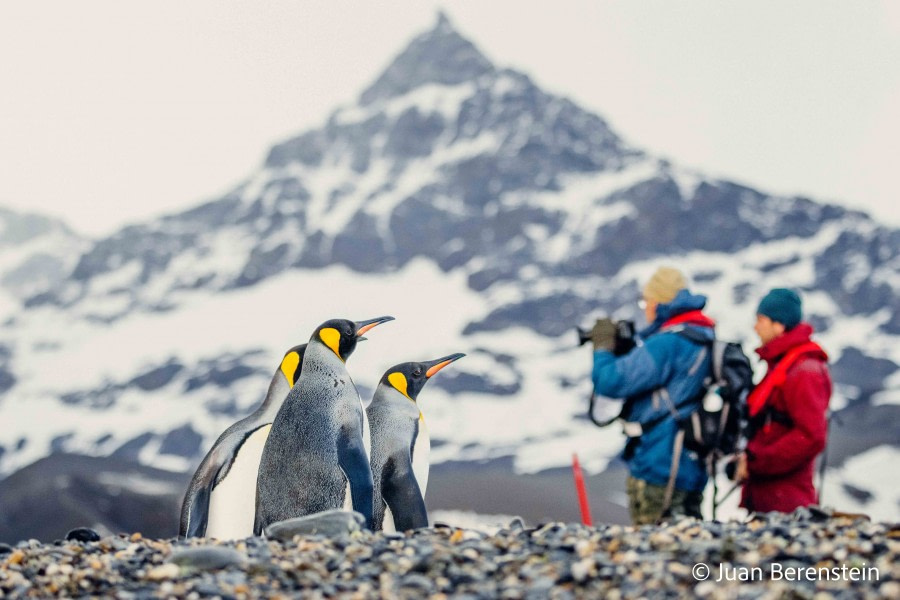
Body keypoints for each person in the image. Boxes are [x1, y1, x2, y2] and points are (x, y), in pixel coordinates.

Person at [591, 267, 714, 524]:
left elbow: (611, 381)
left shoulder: (668, 343)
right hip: (689, 466)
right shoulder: (702, 335)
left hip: (660, 465)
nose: (645, 308)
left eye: (646, 301)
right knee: (691, 544)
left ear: (659, 303)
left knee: (657, 549)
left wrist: (603, 347)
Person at [735, 288, 831, 513]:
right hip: (771, 496)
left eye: (761, 320)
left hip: (786, 501)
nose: (755, 327)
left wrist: (757, 462)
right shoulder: (782, 365)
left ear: (779, 325)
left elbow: (811, 436)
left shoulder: (804, 371)